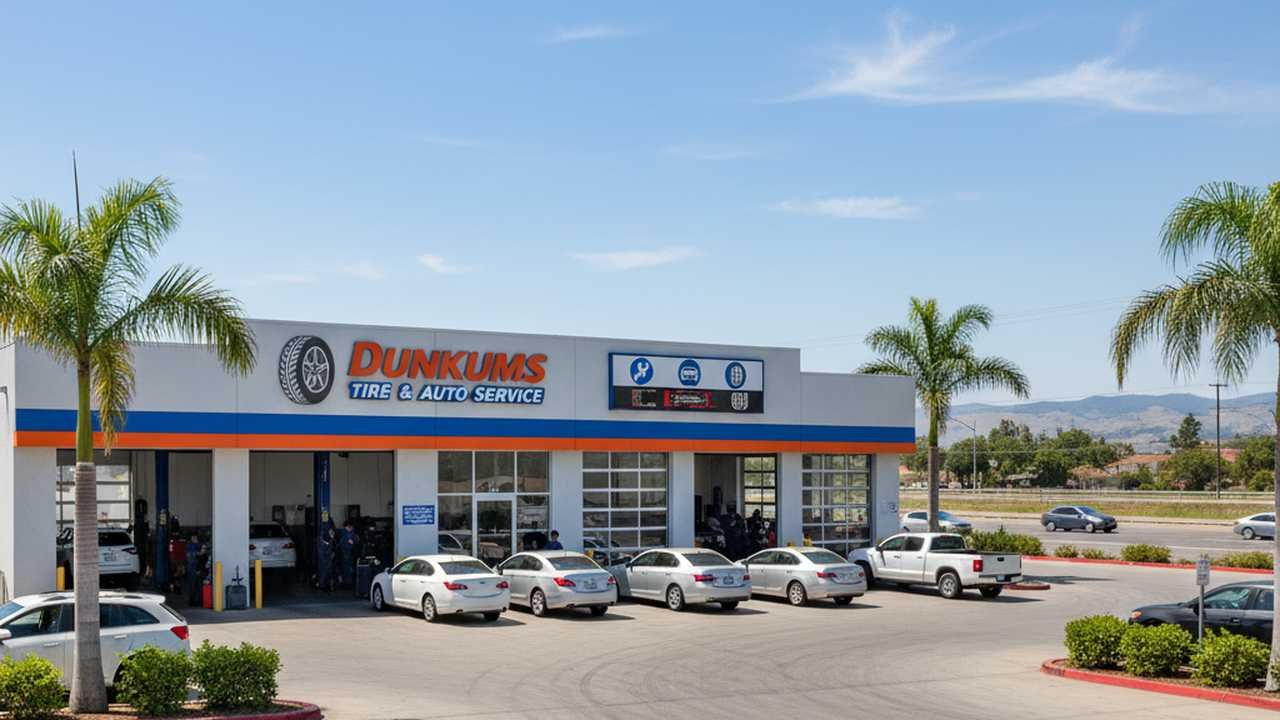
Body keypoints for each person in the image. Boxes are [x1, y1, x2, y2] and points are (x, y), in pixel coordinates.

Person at [338, 520, 358, 587]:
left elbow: (354, 540)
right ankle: (347, 582)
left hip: (348, 552)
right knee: (347, 567)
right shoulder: (346, 533)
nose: (350, 528)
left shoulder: (346, 533)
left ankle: (347, 581)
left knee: (347, 567)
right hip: (346, 552)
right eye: (349, 527)